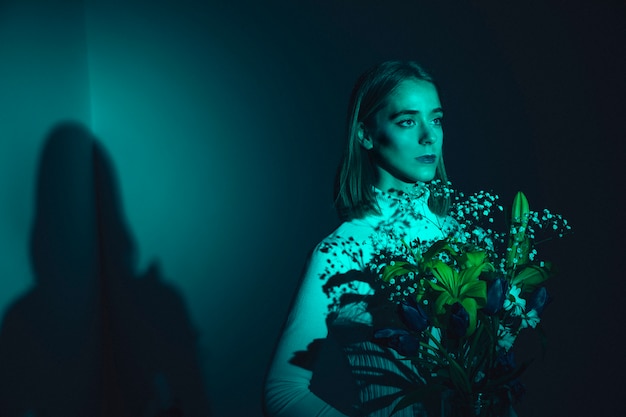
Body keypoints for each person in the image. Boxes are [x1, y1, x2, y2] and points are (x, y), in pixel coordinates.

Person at [263, 61, 459, 417]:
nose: (429, 136)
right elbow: (282, 393)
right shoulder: (340, 251)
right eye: (407, 121)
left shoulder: (455, 233)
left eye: (437, 119)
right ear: (365, 134)